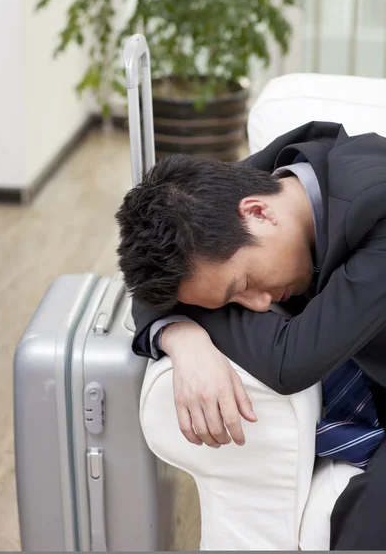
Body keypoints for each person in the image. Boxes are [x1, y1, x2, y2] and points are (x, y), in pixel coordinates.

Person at [116, 120, 386, 549]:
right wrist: (180, 335)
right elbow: (152, 277)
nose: (260, 304)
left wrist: (197, 316)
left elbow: (292, 360)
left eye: (240, 287)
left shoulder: (379, 204)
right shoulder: (247, 189)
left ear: (259, 214)